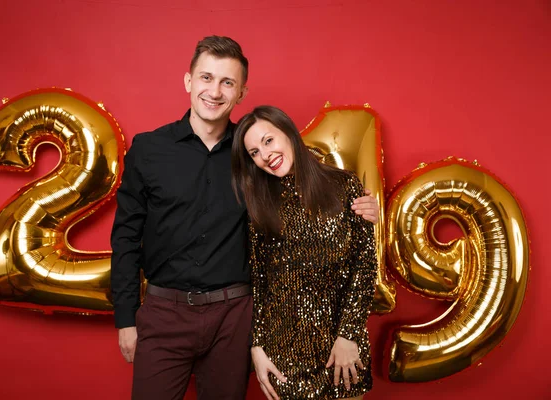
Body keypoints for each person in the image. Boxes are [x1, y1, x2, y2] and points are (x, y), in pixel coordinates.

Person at [110, 36, 379, 400]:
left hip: (234, 315)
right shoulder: (148, 149)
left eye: (227, 83)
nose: (215, 91)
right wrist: (126, 316)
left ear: (241, 93)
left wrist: (359, 206)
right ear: (189, 81)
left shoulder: (253, 150)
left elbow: (305, 193)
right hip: (164, 310)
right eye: (206, 78)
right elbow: (126, 236)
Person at [231, 105, 378, 400]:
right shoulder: (260, 206)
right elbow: (261, 281)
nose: (264, 155)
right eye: (254, 153)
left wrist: (348, 335)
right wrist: (257, 346)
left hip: (342, 351)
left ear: (288, 132)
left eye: (268, 140)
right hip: (284, 359)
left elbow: (364, 265)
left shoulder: (344, 185)